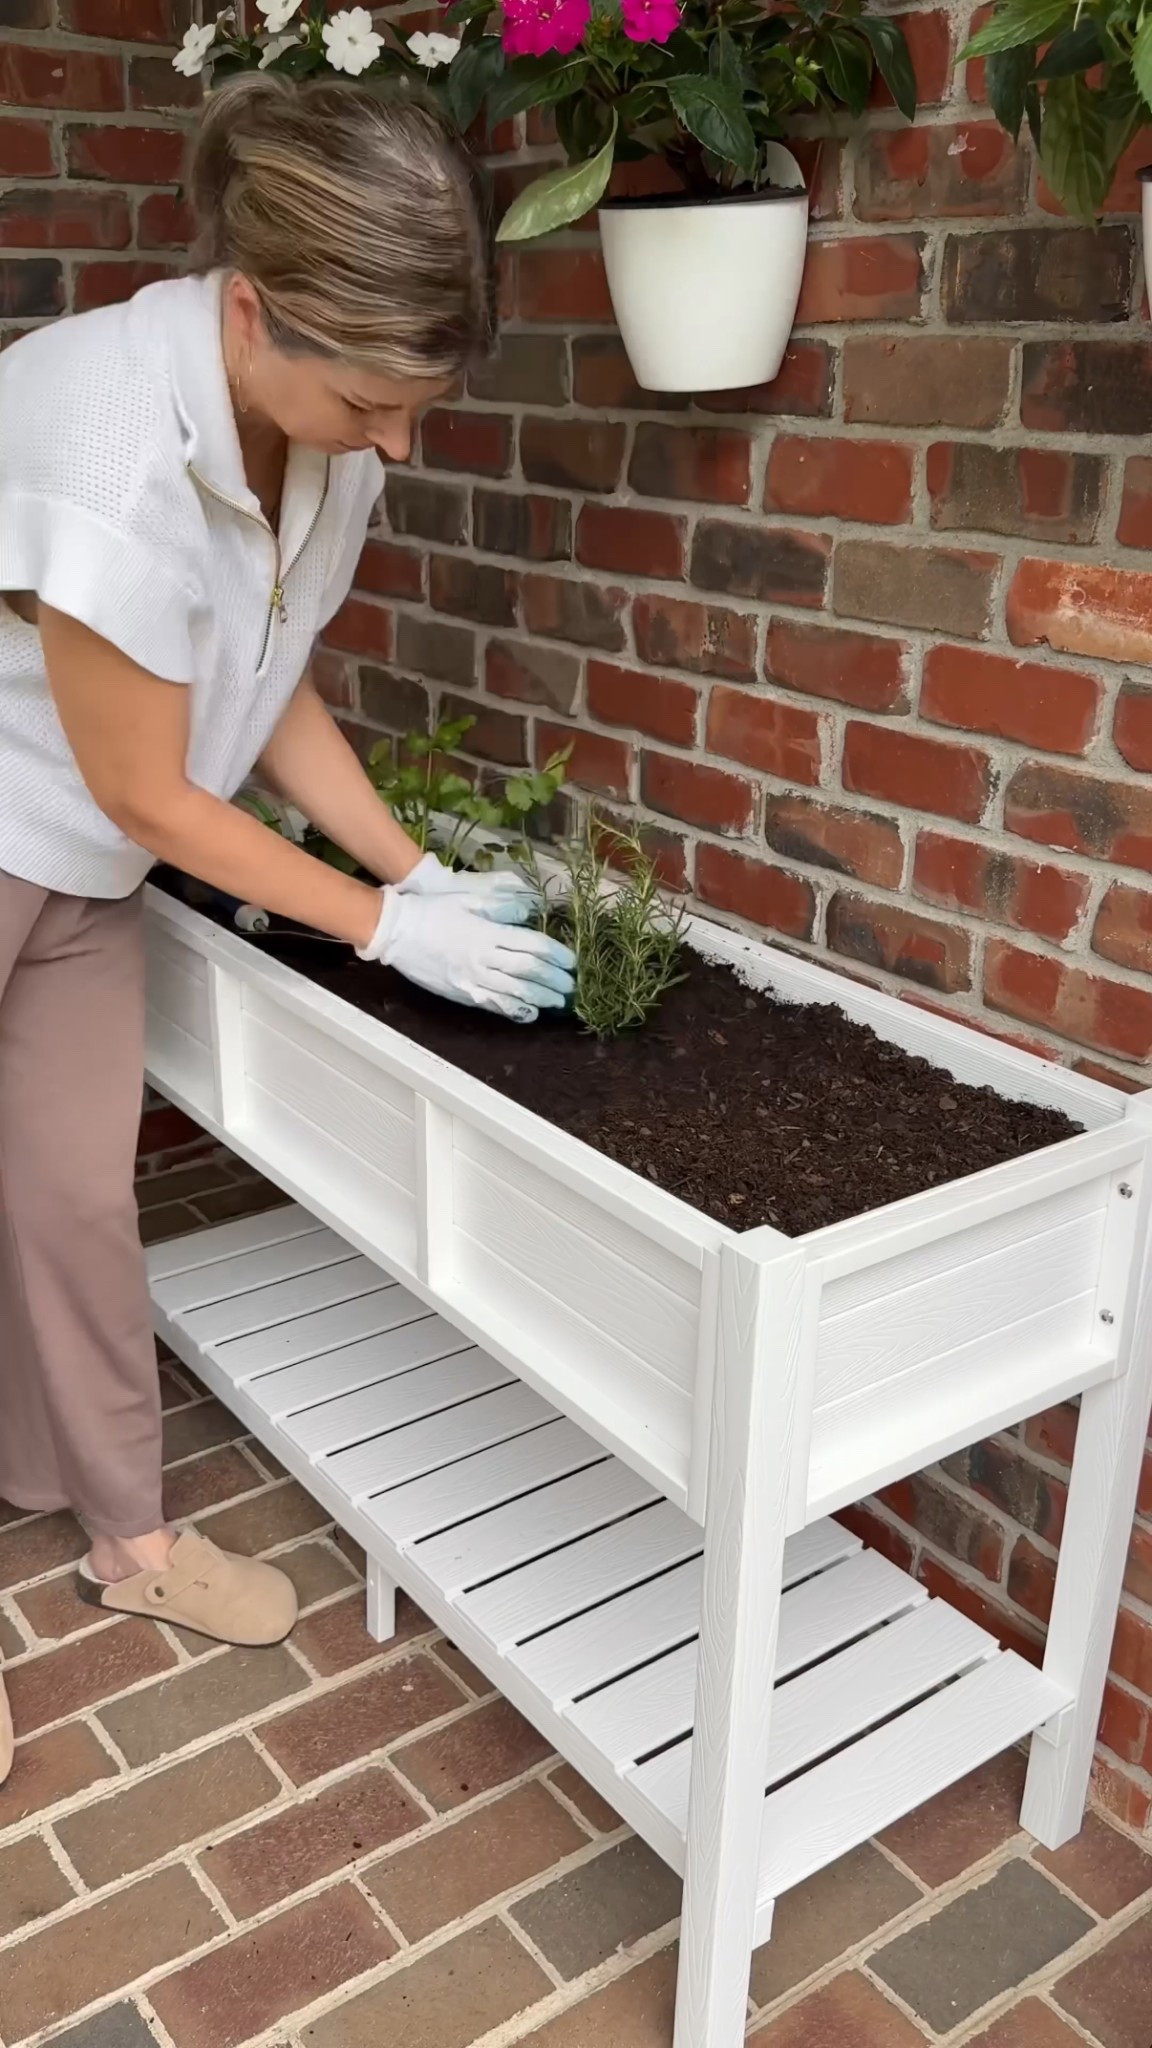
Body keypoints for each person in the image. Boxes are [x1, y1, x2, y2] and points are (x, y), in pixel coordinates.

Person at [0, 73, 576, 1786]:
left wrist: (409, 869)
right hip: (61, 818)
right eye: (375, 400)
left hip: (79, 868)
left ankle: (122, 1534)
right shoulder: (101, 440)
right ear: (251, 312)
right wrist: (382, 932)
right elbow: (152, 789)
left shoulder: (318, 440)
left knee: (73, 1200)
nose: (399, 441)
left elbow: (262, 677)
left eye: (418, 403)